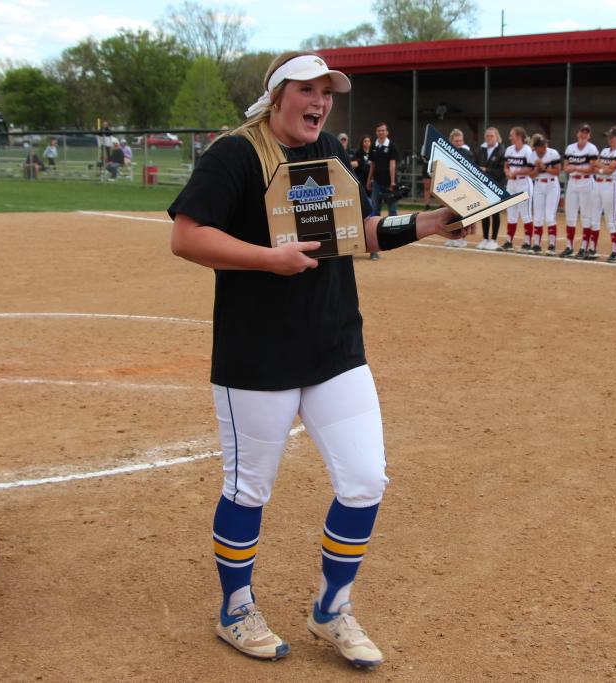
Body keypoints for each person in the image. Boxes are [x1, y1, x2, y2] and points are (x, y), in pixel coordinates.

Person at [168, 50, 470, 670]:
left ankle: (332, 608)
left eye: (327, 92)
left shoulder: (328, 147)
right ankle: (236, 609)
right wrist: (266, 258)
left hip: (334, 345)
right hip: (258, 353)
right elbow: (187, 236)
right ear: (277, 95)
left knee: (364, 482)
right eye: (307, 90)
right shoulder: (235, 154)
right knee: (248, 489)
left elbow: (355, 230)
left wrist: (430, 222)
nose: (321, 101)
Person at [561, 123, 599, 258]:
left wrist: (576, 168)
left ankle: (584, 247)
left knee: (586, 216)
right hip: (573, 182)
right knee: (570, 215)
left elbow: (593, 168)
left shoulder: (592, 148)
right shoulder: (570, 148)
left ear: (589, 136)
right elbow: (565, 167)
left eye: (586, 133)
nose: (583, 135)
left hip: (586, 182)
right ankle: (569, 246)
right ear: (578, 133)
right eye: (582, 132)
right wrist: (577, 168)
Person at [366, 122, 399, 260]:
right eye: (379, 130)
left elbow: (393, 164)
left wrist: (393, 182)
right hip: (377, 183)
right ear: (376, 132)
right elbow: (372, 164)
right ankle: (377, 234)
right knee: (374, 210)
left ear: (387, 132)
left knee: (392, 209)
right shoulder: (374, 146)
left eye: (383, 130)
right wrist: (369, 179)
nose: (381, 132)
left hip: (389, 183)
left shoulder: (391, 146)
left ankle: (396, 234)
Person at [594, 127, 616, 262]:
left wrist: (600, 167)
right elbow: (595, 164)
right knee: (594, 217)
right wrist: (602, 168)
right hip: (598, 183)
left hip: (610, 184)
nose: (609, 139)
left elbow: (609, 170)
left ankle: (614, 251)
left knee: (610, 219)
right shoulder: (605, 151)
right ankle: (592, 248)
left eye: (611, 137)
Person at [500, 126, 535, 252]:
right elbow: (506, 166)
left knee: (525, 214)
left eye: (512, 135)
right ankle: (509, 241)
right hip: (511, 184)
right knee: (511, 214)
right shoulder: (509, 150)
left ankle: (527, 243)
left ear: (519, 136)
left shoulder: (527, 150)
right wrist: (507, 172)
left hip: (523, 183)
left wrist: (516, 173)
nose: (510, 137)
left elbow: (530, 168)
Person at [529, 134, 562, 255]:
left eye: (545, 144)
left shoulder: (553, 153)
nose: (544, 147)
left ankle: (552, 245)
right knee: (537, 217)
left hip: (552, 185)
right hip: (538, 185)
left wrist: (544, 167)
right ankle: (537, 244)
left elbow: (557, 171)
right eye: (541, 145)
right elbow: (531, 175)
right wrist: (537, 169)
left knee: (549, 216)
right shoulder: (532, 156)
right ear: (536, 147)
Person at [475, 127, 505, 250]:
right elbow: (475, 164)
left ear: (496, 137)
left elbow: (502, 170)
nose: (489, 138)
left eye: (491, 136)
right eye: (487, 136)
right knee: (485, 212)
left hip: (496, 184)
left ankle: (493, 239)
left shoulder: (501, 150)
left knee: (495, 212)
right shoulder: (481, 150)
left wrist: (487, 170)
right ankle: (485, 238)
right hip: (483, 185)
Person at [445, 129, 475, 248]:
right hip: (450, 187)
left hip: (463, 187)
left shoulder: (468, 153)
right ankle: (452, 237)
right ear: (451, 141)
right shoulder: (446, 153)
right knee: (451, 214)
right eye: (456, 141)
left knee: (463, 213)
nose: (459, 143)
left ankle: (462, 237)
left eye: (460, 141)